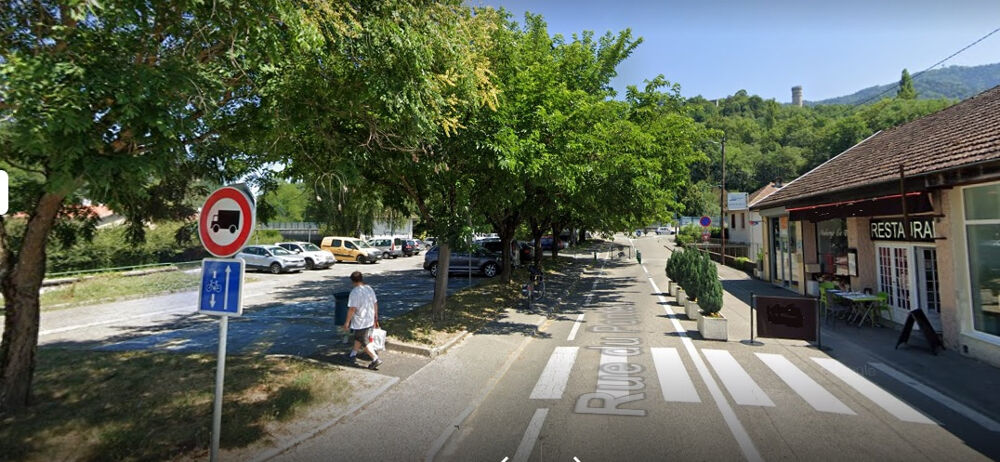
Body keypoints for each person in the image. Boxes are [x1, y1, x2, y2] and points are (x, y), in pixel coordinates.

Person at [343, 271, 382, 370]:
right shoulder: (369, 288)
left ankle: (375, 358)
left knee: (364, 341)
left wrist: (347, 322)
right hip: (369, 318)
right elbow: (375, 303)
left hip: (361, 321)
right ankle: (353, 354)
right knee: (359, 337)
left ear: (352, 281)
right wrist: (375, 316)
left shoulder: (355, 292)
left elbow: (352, 309)